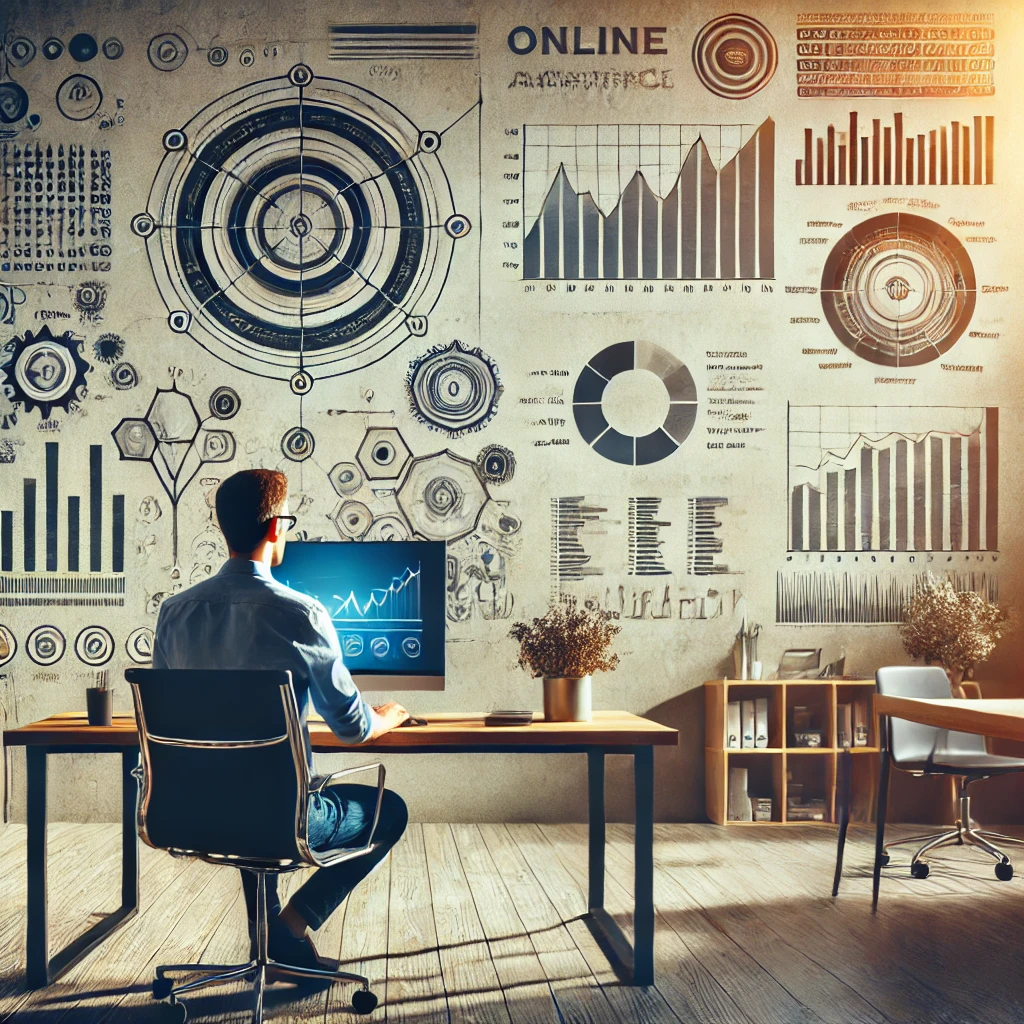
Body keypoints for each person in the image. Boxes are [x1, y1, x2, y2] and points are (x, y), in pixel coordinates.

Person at [153, 468, 409, 969]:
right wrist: (387, 716)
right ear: (276, 527)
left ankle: (269, 943)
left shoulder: (175, 612)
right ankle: (288, 928)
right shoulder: (302, 613)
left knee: (250, 786)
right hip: (275, 816)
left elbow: (171, 713)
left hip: (187, 811)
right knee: (389, 810)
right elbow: (352, 728)